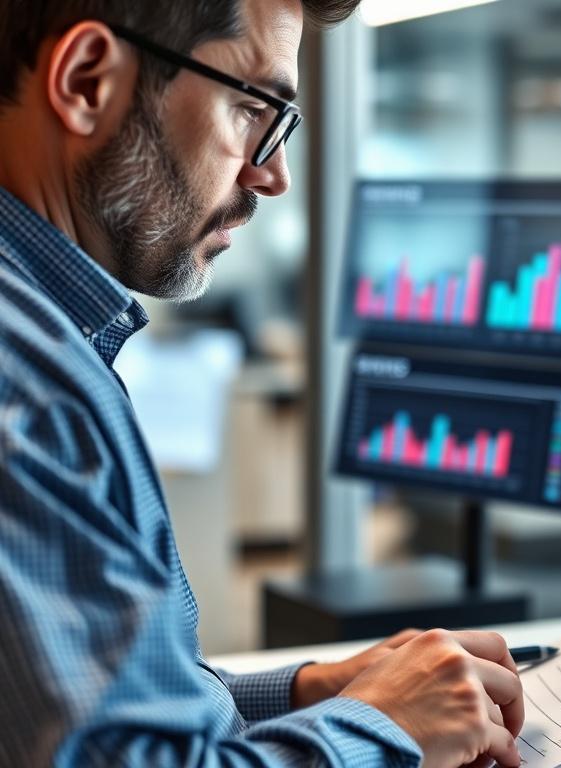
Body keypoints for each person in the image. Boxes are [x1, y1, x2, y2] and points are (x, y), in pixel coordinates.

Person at [0, 1, 525, 765]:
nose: (272, 173)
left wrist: (314, 692)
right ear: (86, 81)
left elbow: (86, 710)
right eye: (254, 108)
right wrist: (379, 730)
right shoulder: (32, 387)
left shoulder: (47, 341)